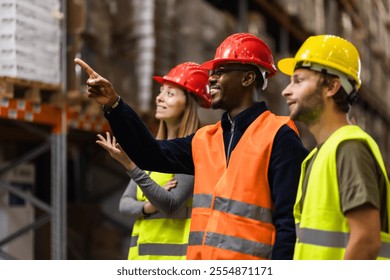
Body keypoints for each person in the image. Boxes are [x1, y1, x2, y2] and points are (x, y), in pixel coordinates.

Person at [74, 32, 308, 260]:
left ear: (248, 78)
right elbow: (149, 154)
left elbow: (289, 225)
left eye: (221, 71)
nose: (212, 78)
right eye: (212, 72)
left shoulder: (279, 135)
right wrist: (114, 106)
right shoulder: (206, 139)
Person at [278, 34, 390, 260]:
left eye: (298, 81)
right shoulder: (317, 156)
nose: (286, 90)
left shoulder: (349, 148)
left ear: (331, 86)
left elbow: (366, 242)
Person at [96, 62, 211, 259]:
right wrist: (148, 207)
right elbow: (124, 204)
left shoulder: (193, 150)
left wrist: (130, 165)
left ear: (189, 102)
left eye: (170, 93)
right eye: (160, 91)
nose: (159, 98)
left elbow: (170, 204)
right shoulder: (153, 152)